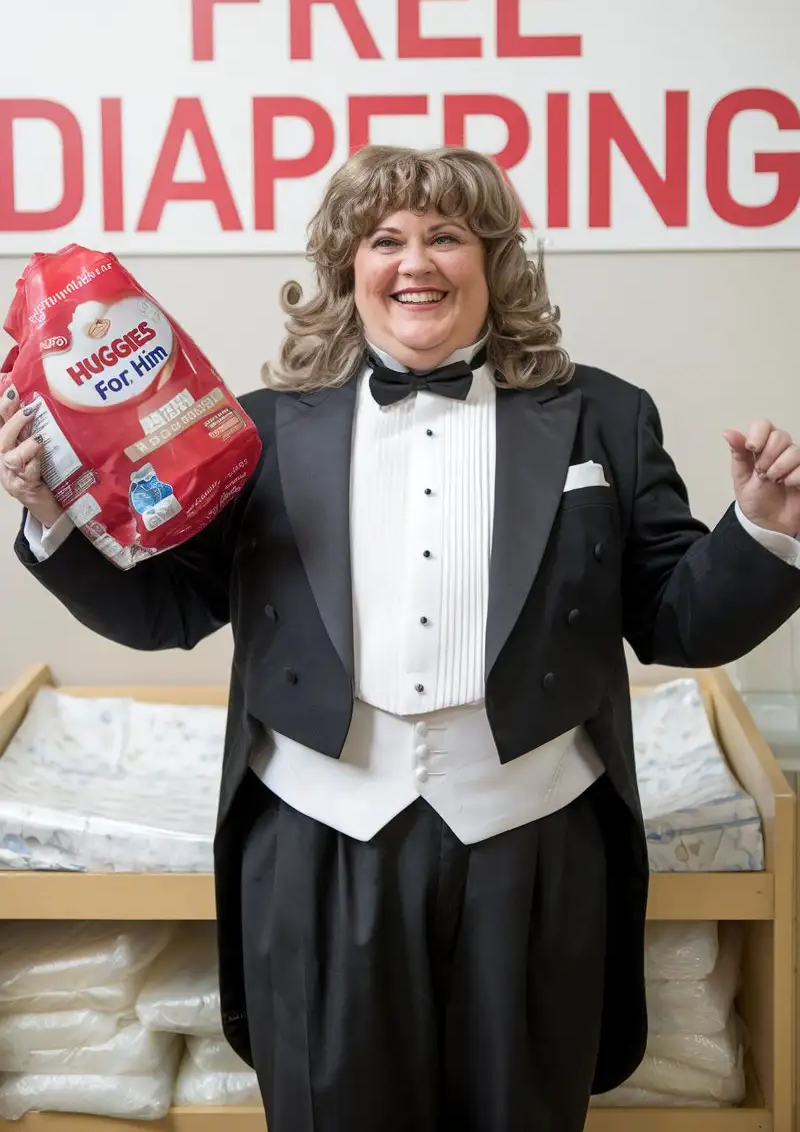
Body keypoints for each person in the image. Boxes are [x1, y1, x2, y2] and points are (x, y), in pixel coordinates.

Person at [3, 145, 800, 1132]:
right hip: (316, 839)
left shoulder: (605, 417)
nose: (413, 260)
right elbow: (167, 609)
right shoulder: (254, 431)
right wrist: (49, 513)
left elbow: (679, 616)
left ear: (492, 261)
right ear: (347, 266)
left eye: (444, 236)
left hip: (534, 839)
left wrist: (764, 525)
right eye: (385, 238)